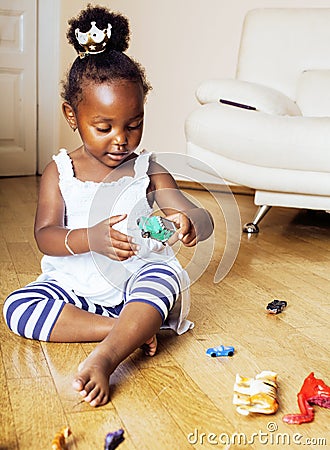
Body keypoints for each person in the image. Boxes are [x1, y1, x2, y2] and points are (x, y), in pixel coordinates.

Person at [3, 4, 214, 407]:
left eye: (134, 124)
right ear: (72, 116)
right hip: (75, 285)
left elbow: (201, 219)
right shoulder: (60, 171)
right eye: (105, 127)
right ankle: (121, 329)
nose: (122, 139)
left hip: (136, 282)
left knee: (163, 279)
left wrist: (187, 221)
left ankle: (107, 355)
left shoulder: (148, 168)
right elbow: (46, 236)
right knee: (17, 308)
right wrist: (90, 238)